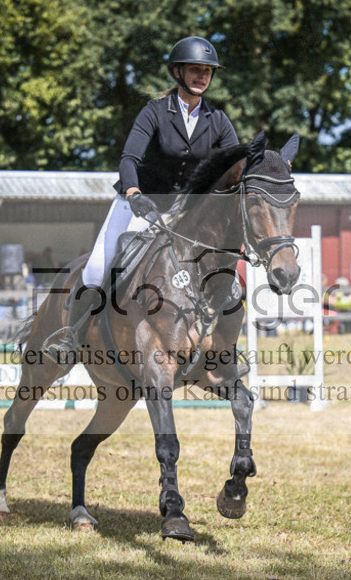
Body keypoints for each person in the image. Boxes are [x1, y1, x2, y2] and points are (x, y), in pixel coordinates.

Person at [47, 36, 239, 357]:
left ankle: (226, 349)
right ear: (177, 72)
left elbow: (235, 164)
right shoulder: (155, 112)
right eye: (195, 70)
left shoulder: (217, 120)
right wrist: (134, 192)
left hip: (182, 213)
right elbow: (129, 159)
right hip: (139, 204)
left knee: (221, 274)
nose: (202, 76)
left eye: (207, 71)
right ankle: (72, 337)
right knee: (97, 269)